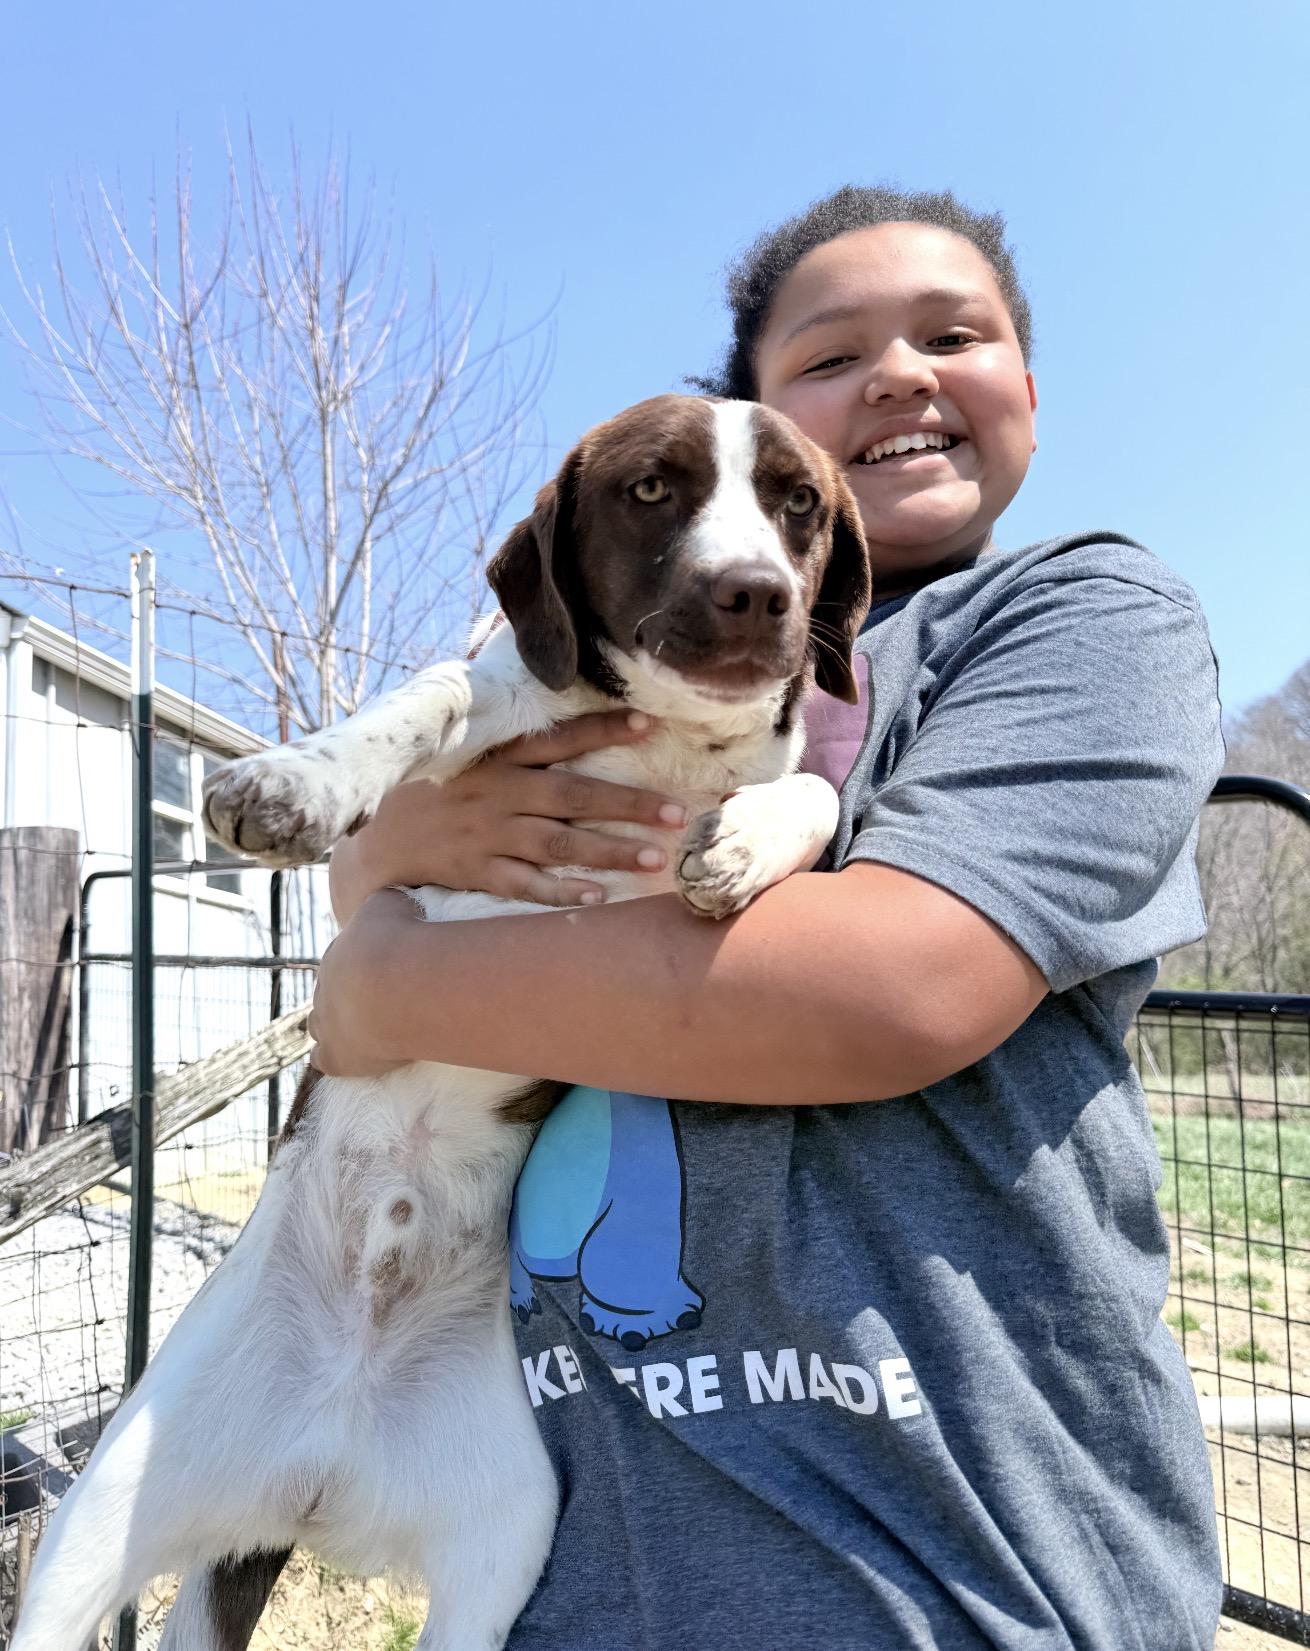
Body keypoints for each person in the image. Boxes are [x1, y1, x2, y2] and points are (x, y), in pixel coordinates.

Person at [316, 186, 1225, 1649]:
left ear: (1031, 400)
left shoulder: (1076, 615)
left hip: (953, 1564)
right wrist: (387, 866)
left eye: (953, 335)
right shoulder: (599, 667)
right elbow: (385, 877)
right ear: (742, 426)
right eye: (828, 356)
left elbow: (894, 988)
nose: (898, 375)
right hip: (577, 1559)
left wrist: (385, 991)